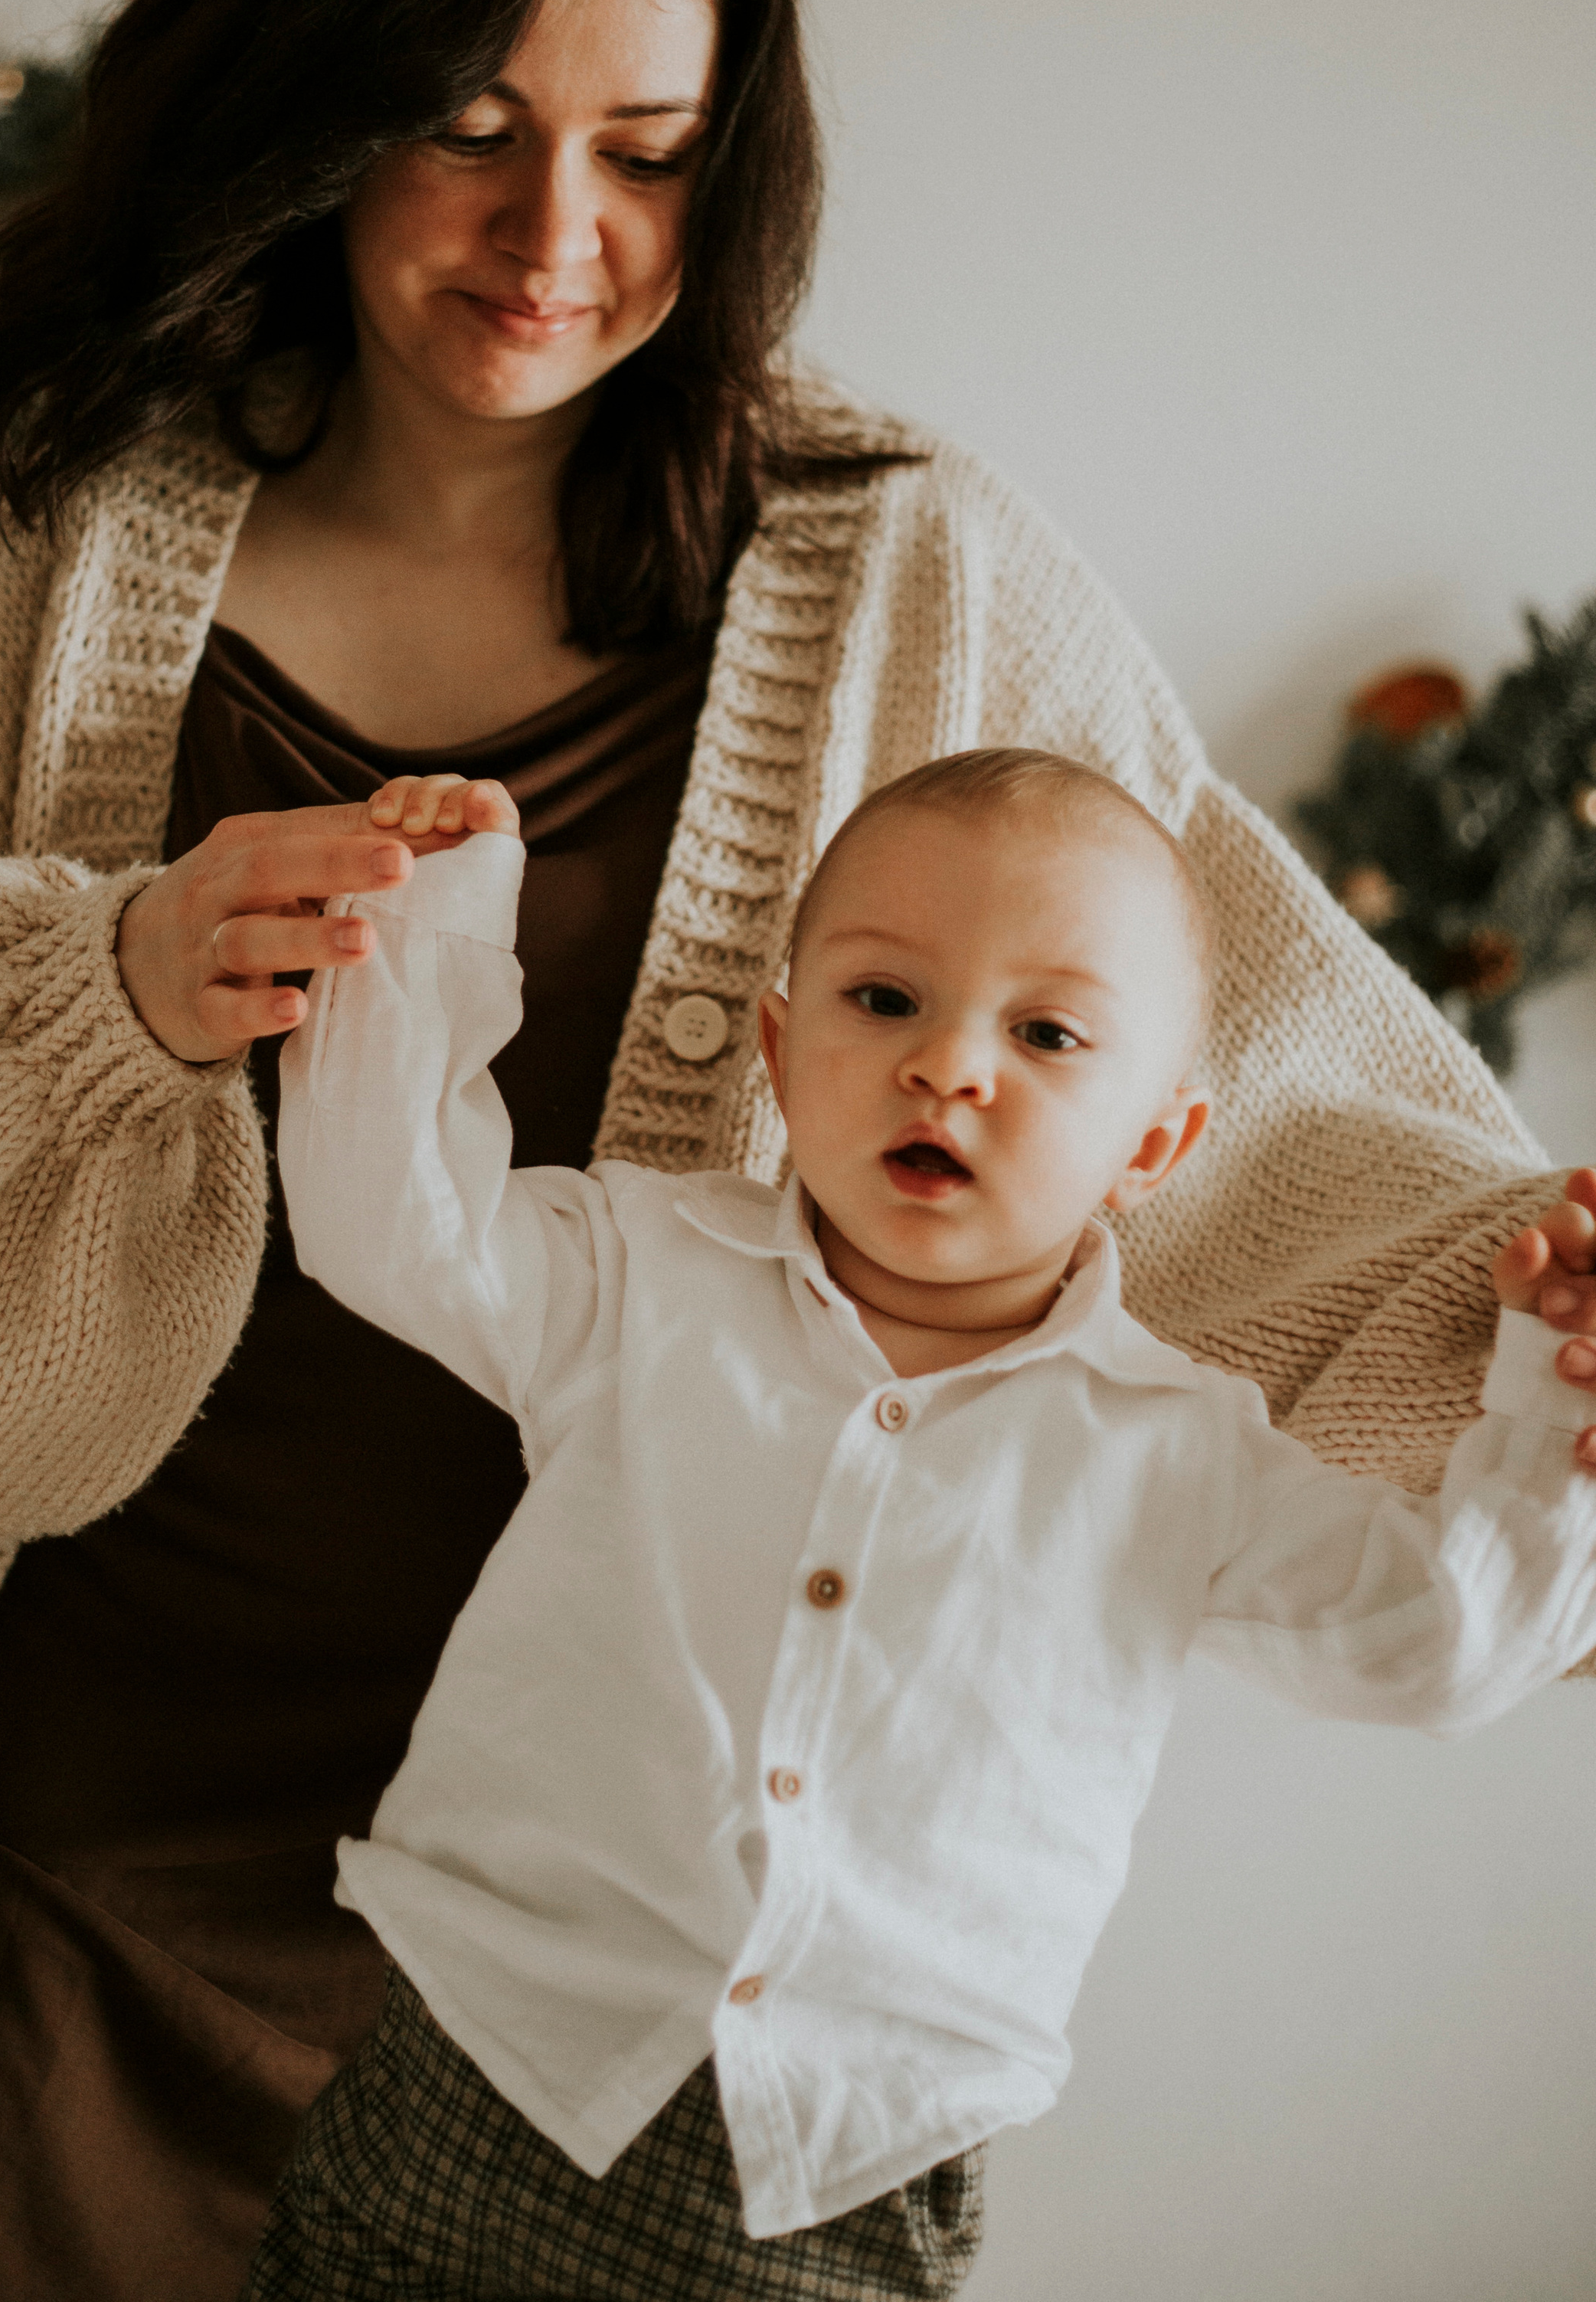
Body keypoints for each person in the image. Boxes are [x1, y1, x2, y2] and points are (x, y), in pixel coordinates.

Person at [0, 0, 1587, 2299]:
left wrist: (1540, 1324)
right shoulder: (88, 540)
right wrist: (99, 977)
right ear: (319, 112)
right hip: (50, 1822)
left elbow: (1264, 1090)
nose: (555, 227)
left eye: (649, 149)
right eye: (467, 121)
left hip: (605, 1953)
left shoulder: (910, 571)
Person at [246, 749, 1596, 2300]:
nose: (949, 1067)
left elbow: (1435, 1649)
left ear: (1151, 1145)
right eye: (882, 1001)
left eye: (1044, 1034)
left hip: (847, 2159)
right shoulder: (634, 1271)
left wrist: (1550, 1401)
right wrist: (419, 922)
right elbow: (385, 1223)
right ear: (775, 1041)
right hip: (491, 2049)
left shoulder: (1176, 1447)